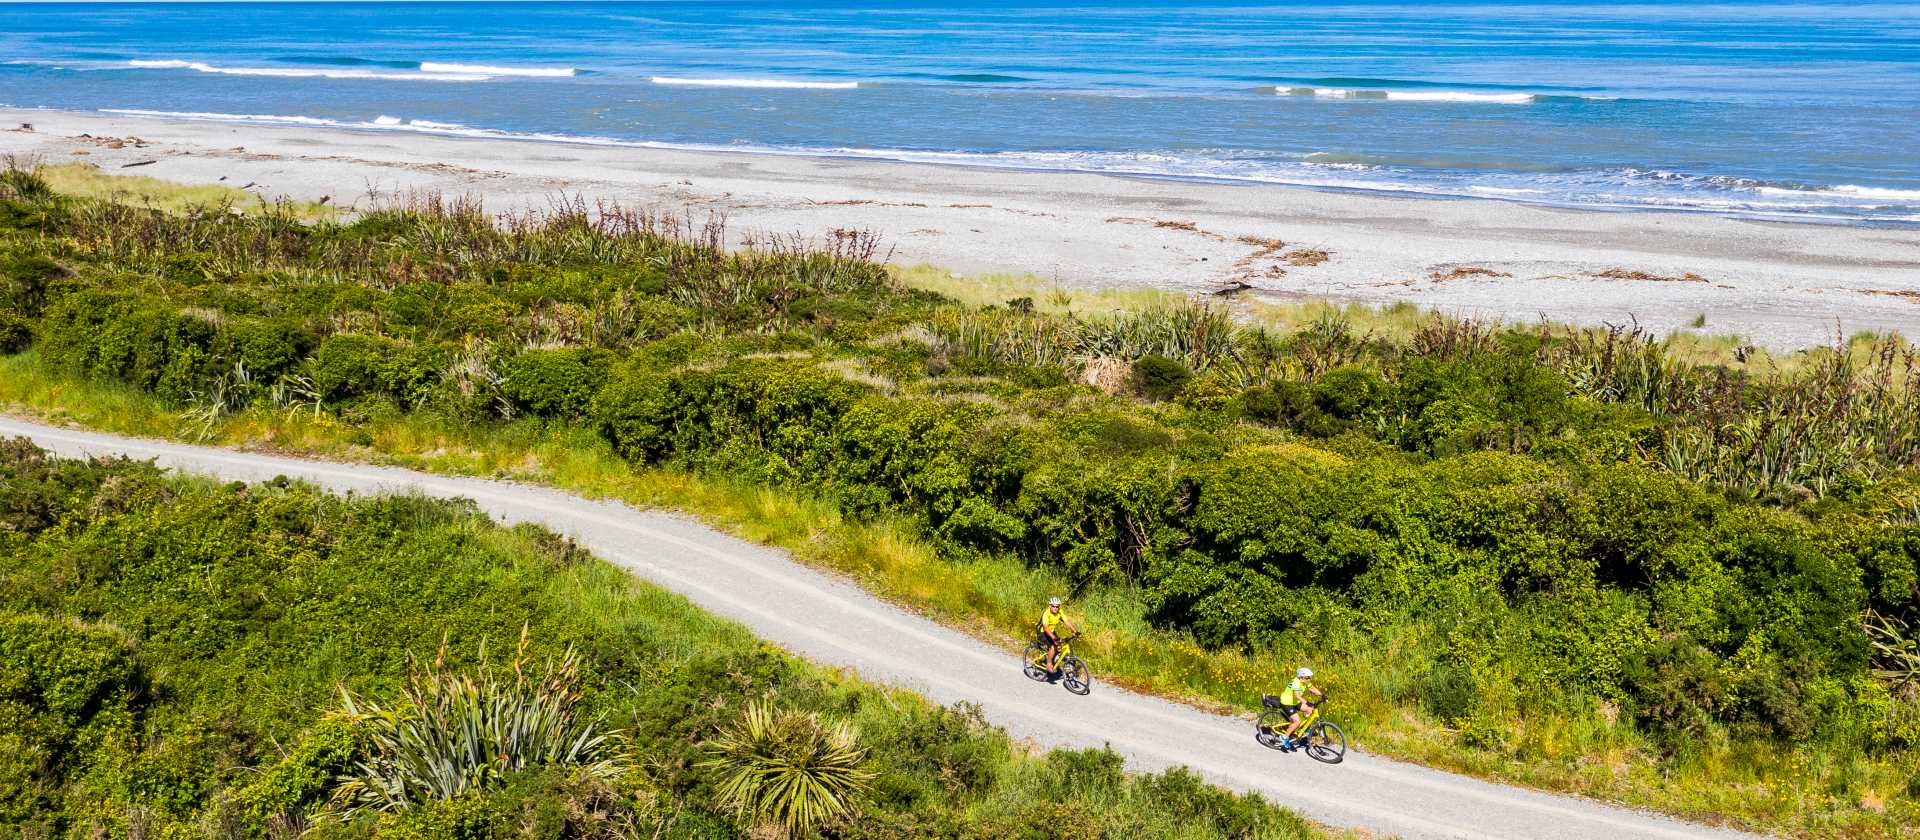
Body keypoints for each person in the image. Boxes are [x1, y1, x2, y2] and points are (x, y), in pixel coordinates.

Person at [1276, 667, 1324, 751]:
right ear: (1301, 677)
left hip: (1295, 702)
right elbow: (1297, 696)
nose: (1309, 679)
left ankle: (1303, 729)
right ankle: (1284, 737)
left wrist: (1322, 695)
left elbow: (1312, 688)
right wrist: (1306, 702)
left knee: (1310, 710)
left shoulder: (1305, 682)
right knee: (1297, 721)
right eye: (1307, 677)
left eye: (1309, 677)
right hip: (1287, 702)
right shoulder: (1296, 683)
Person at [1037, 596, 1080, 679]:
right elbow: (1046, 628)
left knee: (1059, 646)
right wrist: (1054, 637)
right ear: (1050, 606)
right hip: (1043, 632)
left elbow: (1067, 621)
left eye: (1057, 606)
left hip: (1051, 631)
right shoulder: (1046, 614)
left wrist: (1075, 631)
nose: (1055, 608)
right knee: (1053, 646)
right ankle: (1049, 664)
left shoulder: (1060, 612)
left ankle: (1051, 659)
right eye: (1053, 606)